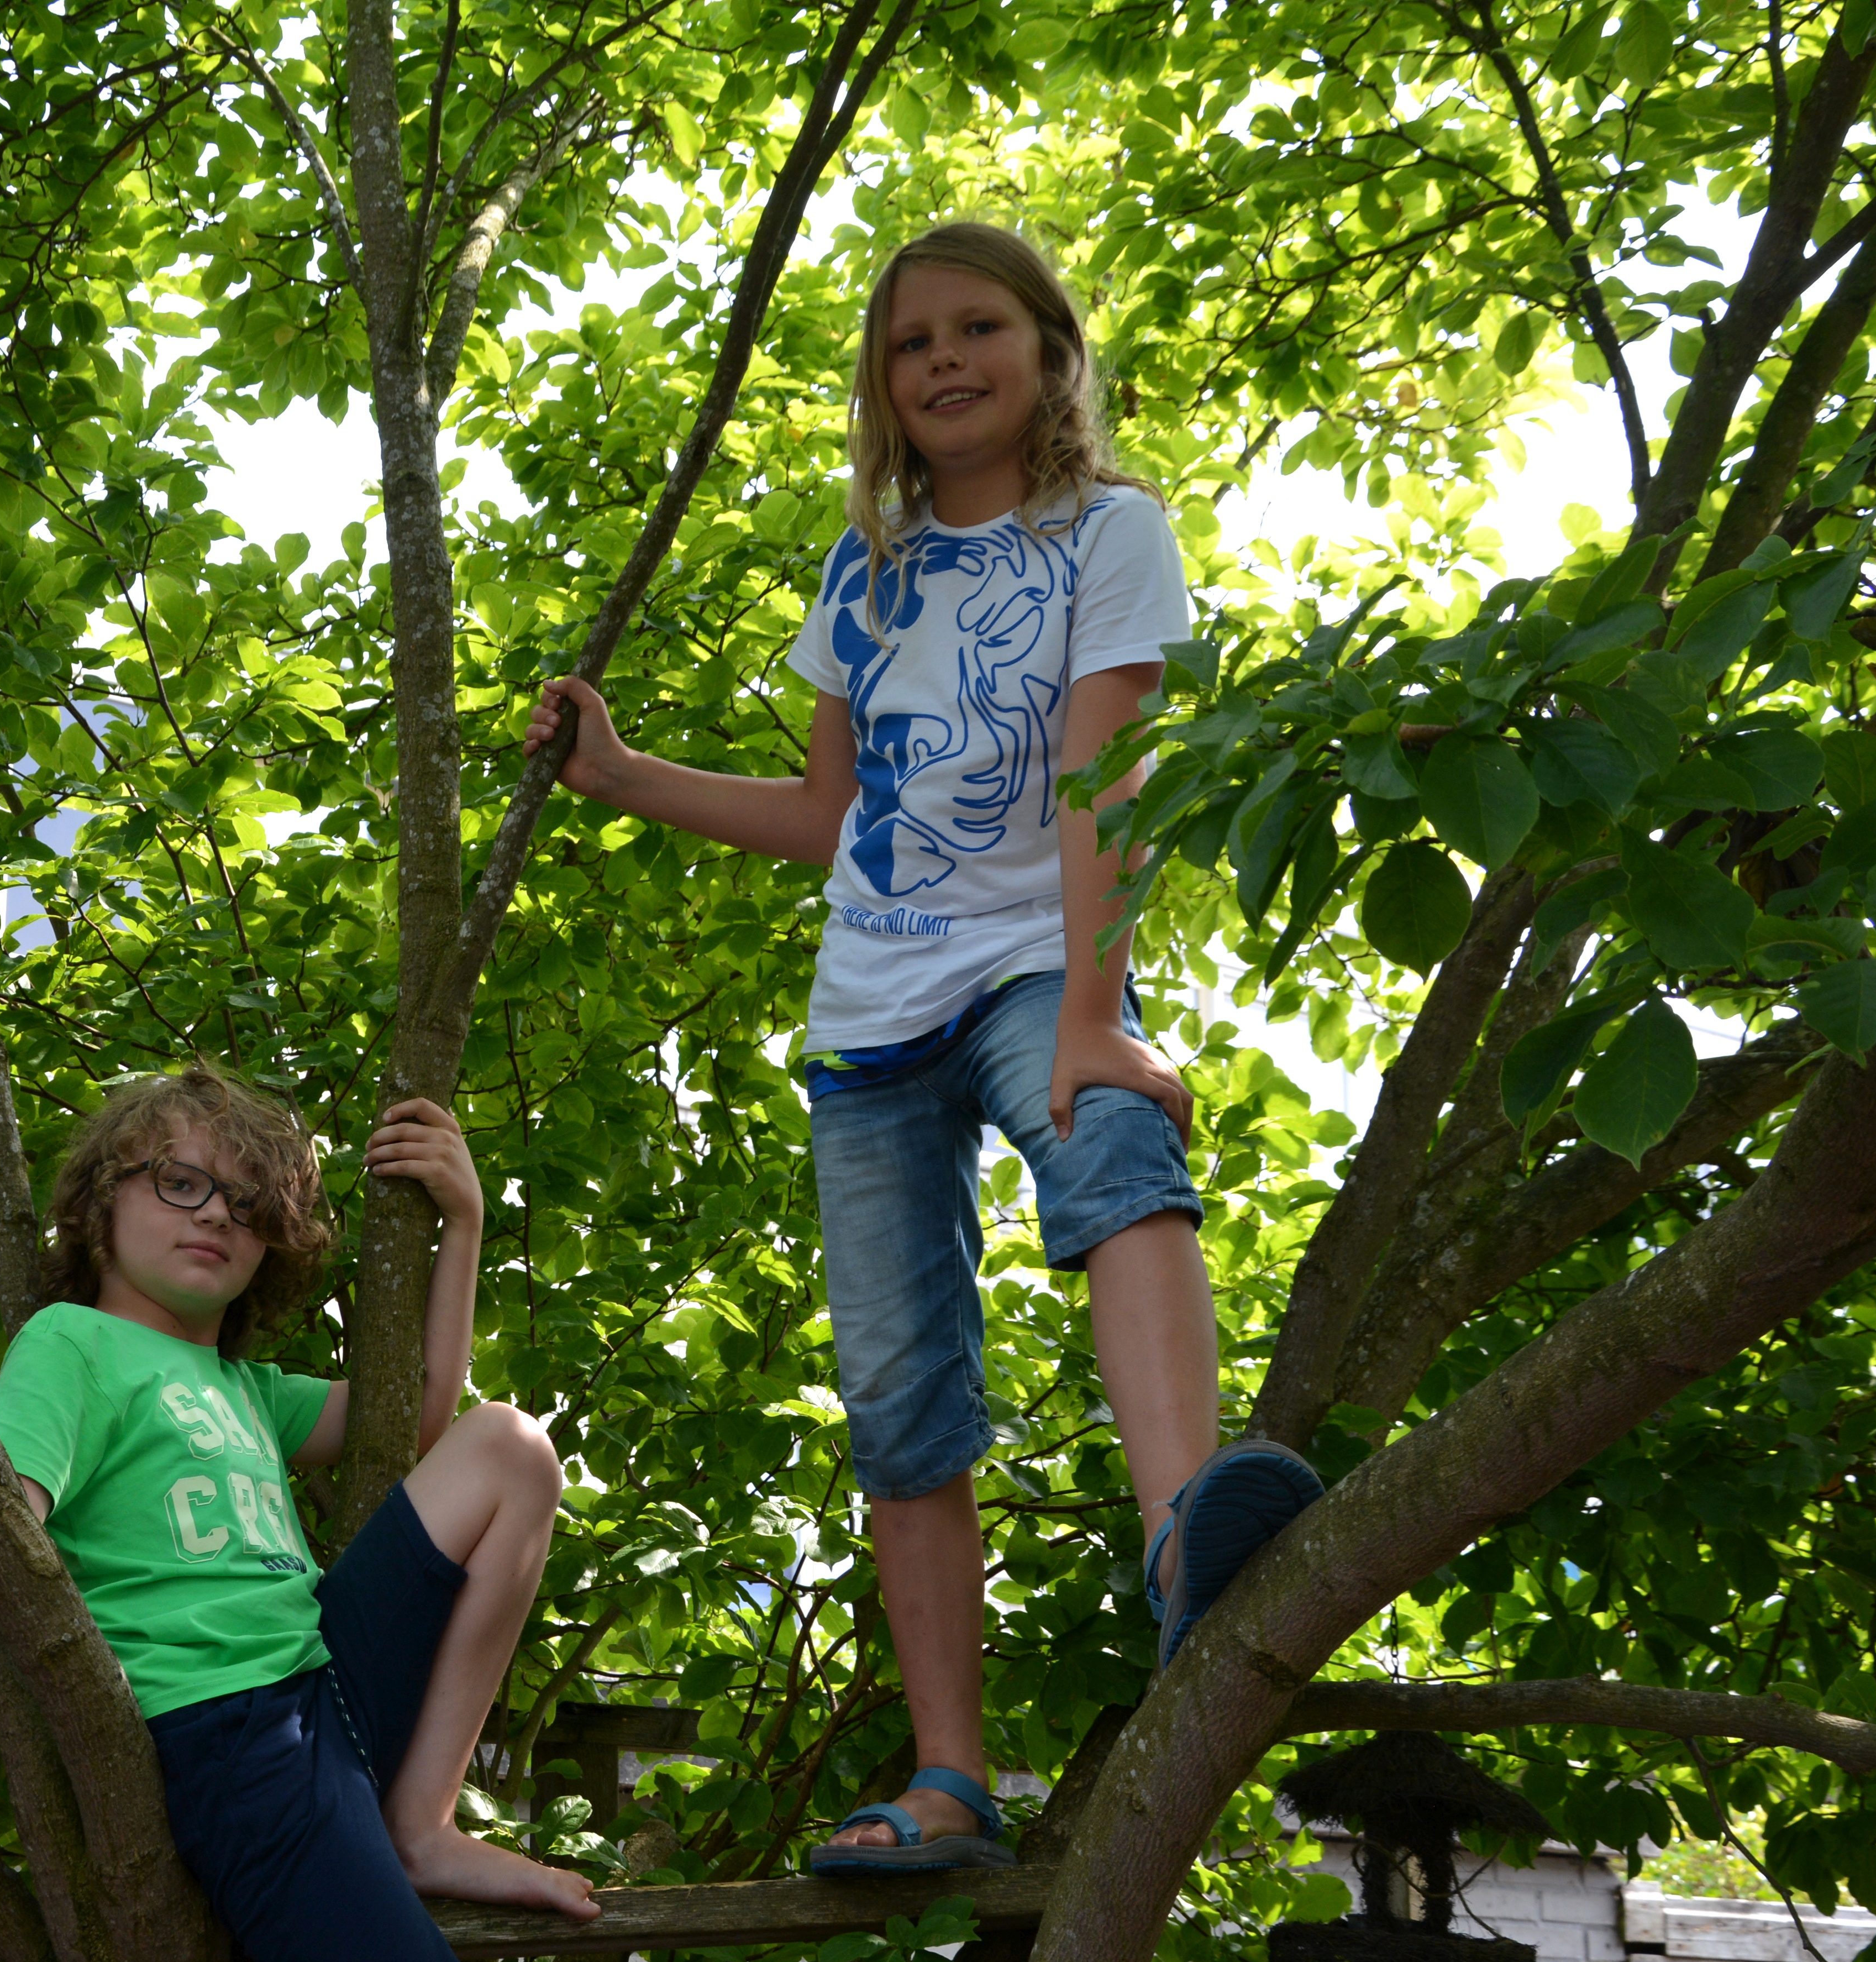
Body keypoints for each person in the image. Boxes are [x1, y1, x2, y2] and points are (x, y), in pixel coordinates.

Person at [521, 221, 1319, 1875]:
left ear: (1050, 355)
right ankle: (951, 1779)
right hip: (870, 1011)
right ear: (885, 388)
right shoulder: (865, 572)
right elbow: (830, 817)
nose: (945, 362)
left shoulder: (1111, 534)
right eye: (910, 344)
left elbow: (1109, 787)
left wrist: (1095, 1018)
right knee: (895, 1393)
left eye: (979, 329)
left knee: (1113, 1145)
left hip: (1037, 962)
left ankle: (1188, 1536)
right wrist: (624, 775)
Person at [0, 1064, 597, 1962]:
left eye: (247, 1206)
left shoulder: (241, 1382)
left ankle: (420, 1823)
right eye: (182, 1181)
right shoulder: (71, 1342)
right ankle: (400, 1832)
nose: (214, 1217)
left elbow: (424, 1416)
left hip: (322, 1690)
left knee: (510, 1448)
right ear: (101, 1205)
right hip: (239, 1744)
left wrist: (465, 1219)